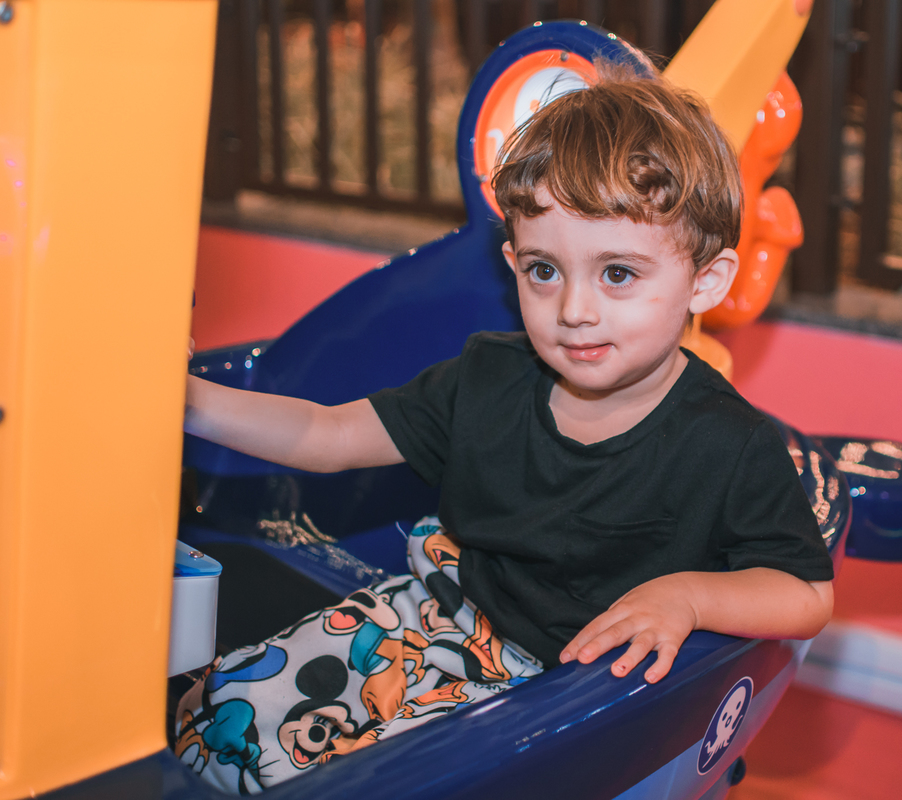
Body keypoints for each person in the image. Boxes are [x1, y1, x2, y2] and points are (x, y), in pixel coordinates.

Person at [175, 59, 834, 793]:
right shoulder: (489, 377)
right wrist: (186, 401)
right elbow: (328, 437)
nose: (574, 308)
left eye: (617, 274)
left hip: (548, 697)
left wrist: (688, 596)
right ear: (512, 262)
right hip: (431, 611)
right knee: (224, 709)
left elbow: (805, 594)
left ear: (705, 282)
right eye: (544, 271)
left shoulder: (728, 442)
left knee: (365, 783)